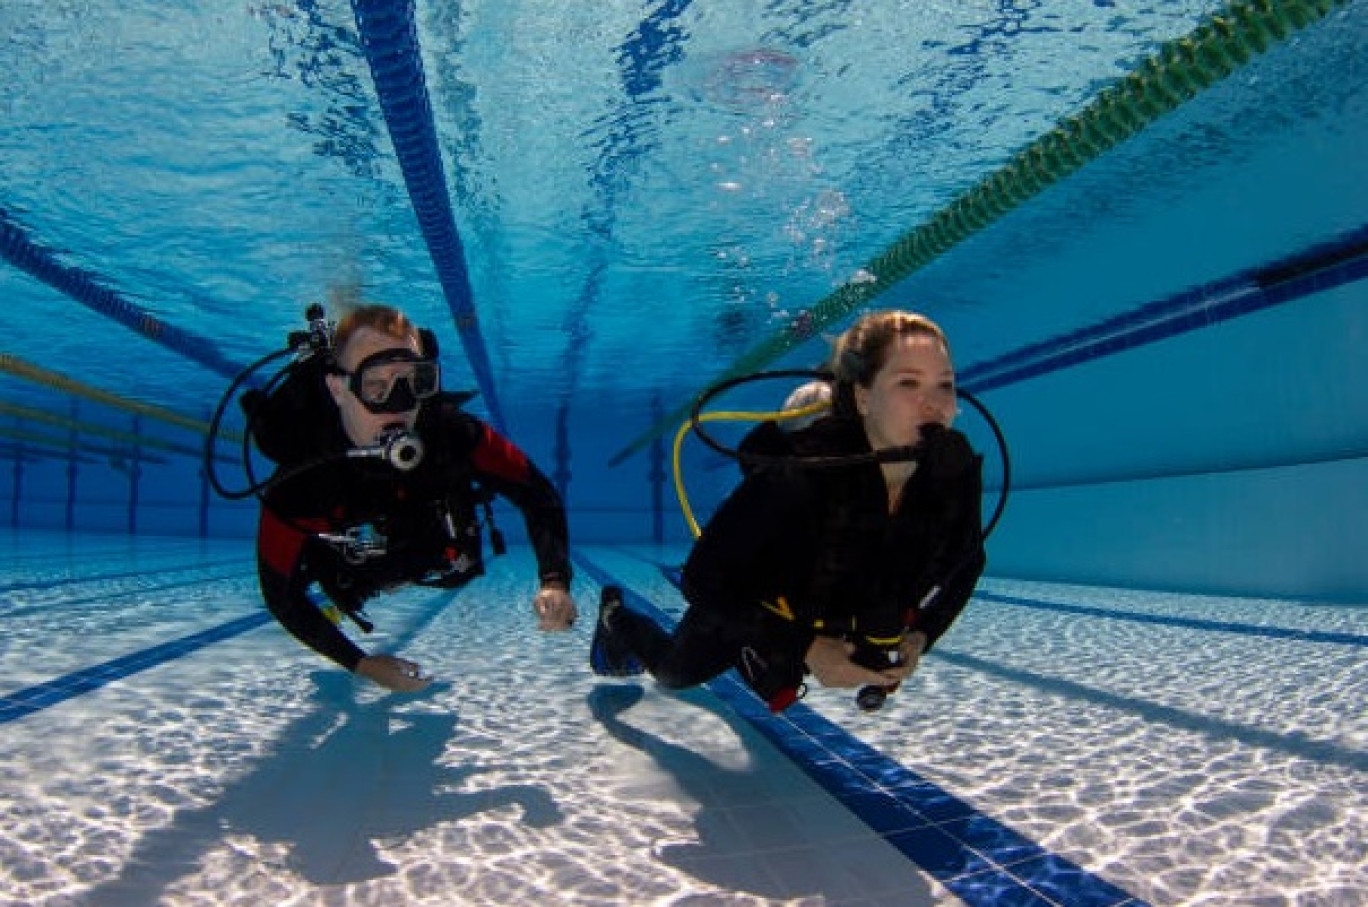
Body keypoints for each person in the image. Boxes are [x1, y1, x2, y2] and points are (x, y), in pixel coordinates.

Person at [590, 310, 986, 712]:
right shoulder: (805, 471)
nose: (935, 404)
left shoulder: (949, 475)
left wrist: (921, 636)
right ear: (864, 396)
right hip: (760, 601)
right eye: (908, 383)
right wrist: (807, 648)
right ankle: (616, 619)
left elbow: (968, 562)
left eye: (946, 385)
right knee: (676, 673)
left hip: (832, 608)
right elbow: (703, 579)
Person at [253, 303, 577, 693]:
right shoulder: (301, 481)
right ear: (338, 389)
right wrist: (360, 663)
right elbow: (280, 595)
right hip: (351, 569)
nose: (399, 403)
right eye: (377, 385)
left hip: (430, 549)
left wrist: (554, 580)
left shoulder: (450, 435)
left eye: (413, 381)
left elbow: (537, 492)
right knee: (326, 578)